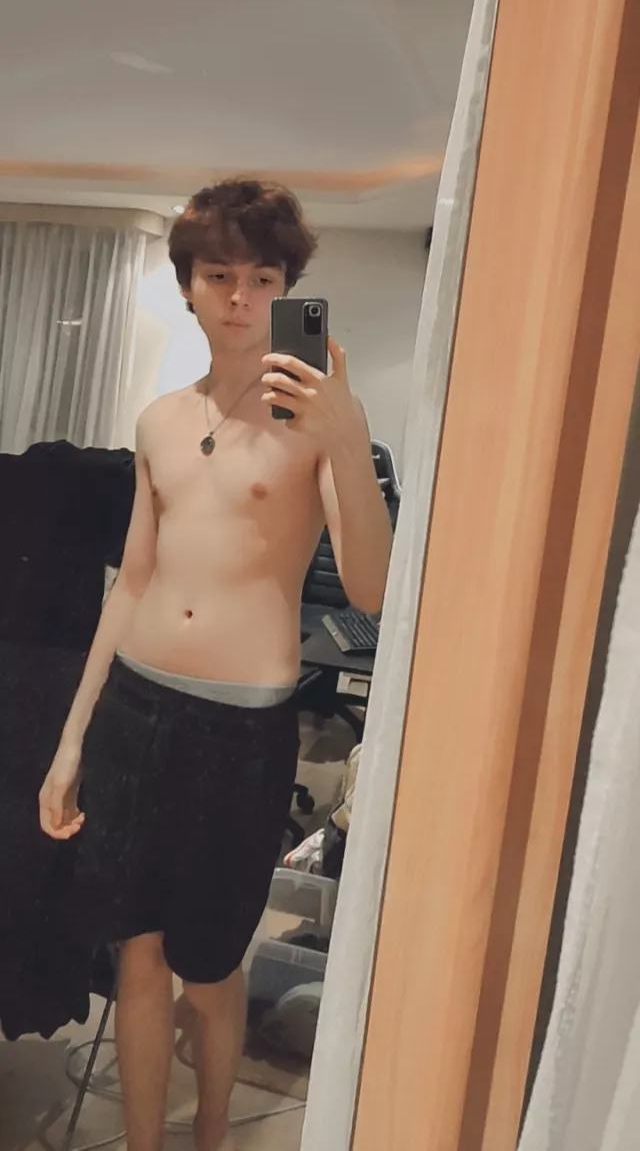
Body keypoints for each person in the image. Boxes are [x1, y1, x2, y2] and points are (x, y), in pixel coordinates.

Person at [39, 178, 392, 1151]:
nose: (240, 296)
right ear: (189, 285)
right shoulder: (158, 420)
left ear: (286, 289)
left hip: (242, 725)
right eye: (219, 275)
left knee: (212, 962)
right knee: (138, 952)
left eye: (262, 277)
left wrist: (347, 436)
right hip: (135, 707)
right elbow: (131, 583)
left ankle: (210, 1136)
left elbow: (371, 588)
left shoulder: (312, 422)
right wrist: (70, 741)